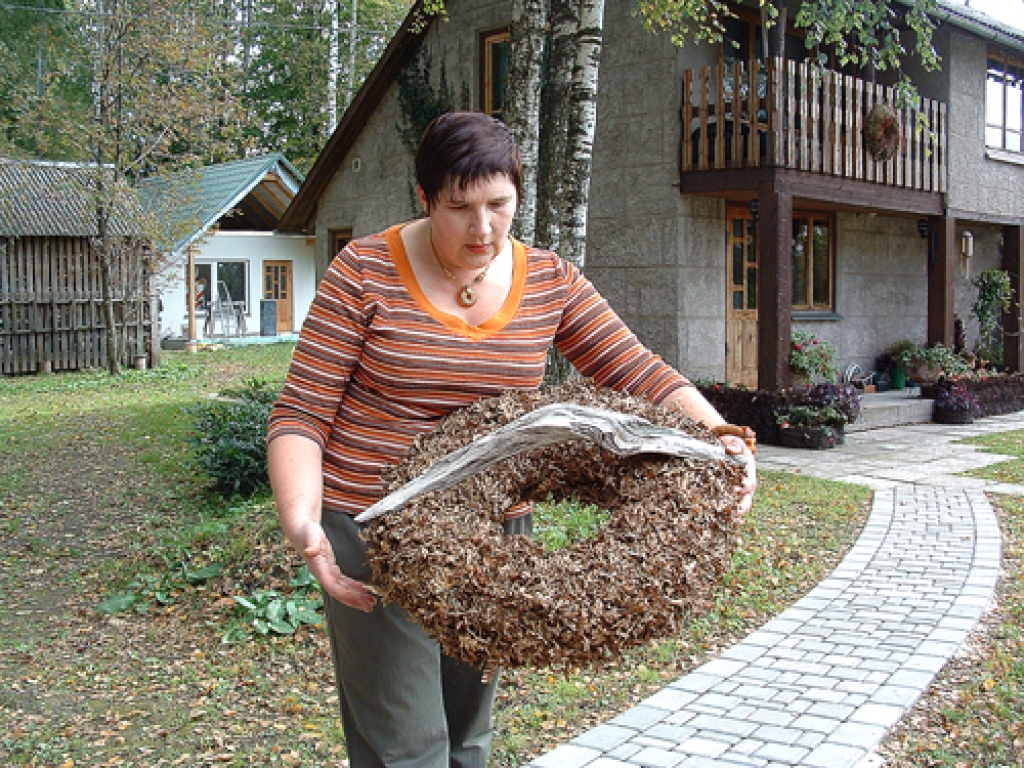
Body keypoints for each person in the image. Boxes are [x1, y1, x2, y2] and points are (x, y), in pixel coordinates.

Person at [267, 111, 757, 768]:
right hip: (373, 528)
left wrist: (719, 435)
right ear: (424, 198)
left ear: (517, 193)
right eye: (460, 207)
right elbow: (301, 413)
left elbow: (635, 370)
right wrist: (305, 524)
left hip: (493, 537)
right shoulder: (364, 271)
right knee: (407, 749)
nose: (483, 227)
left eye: (499, 204)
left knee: (470, 736)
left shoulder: (549, 279)